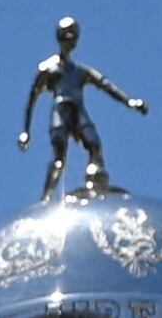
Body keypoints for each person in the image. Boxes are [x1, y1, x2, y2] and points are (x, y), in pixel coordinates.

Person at [18, 16, 148, 195]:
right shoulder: (49, 69)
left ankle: (96, 186)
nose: (70, 41)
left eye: (73, 37)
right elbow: (33, 98)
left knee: (95, 147)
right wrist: (26, 131)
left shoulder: (80, 72)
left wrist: (129, 101)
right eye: (66, 36)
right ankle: (46, 198)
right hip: (61, 112)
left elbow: (106, 85)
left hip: (78, 112)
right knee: (59, 159)